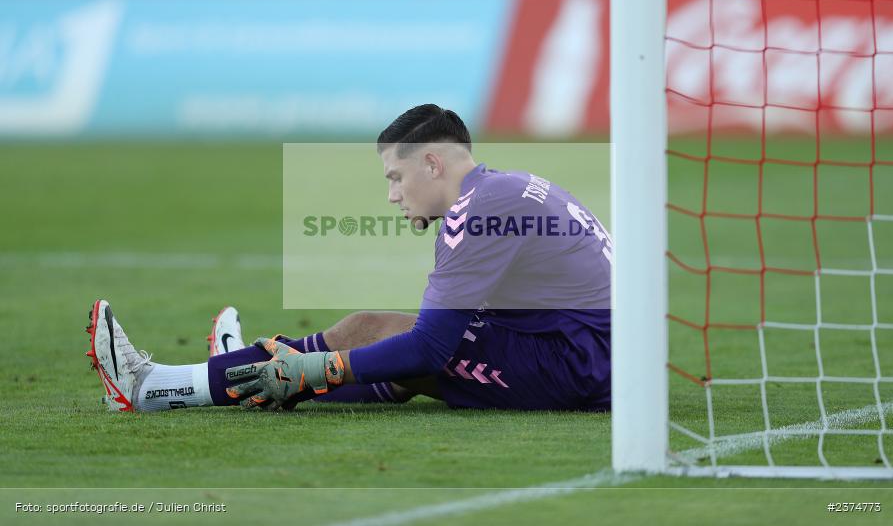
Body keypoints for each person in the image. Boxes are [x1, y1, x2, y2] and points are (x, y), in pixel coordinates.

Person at [85, 104, 611, 413]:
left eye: (396, 178)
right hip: (601, 356)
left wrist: (318, 366)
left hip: (579, 367)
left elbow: (429, 349)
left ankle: (152, 386)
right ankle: (231, 372)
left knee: (376, 335)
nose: (392, 195)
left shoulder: (480, 212)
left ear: (432, 164)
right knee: (387, 353)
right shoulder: (506, 188)